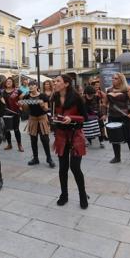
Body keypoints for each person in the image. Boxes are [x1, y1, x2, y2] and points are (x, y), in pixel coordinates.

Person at [50, 75, 89, 209]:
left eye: (58, 81)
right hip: (61, 135)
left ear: (66, 84)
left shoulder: (77, 97)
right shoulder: (54, 98)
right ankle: (64, 195)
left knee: (75, 167)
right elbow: (54, 114)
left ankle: (82, 195)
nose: (54, 83)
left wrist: (70, 118)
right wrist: (54, 118)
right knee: (62, 168)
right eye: (54, 81)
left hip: (75, 134)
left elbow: (85, 117)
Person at [102, 73, 130, 168]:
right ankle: (117, 157)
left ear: (121, 80)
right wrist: (104, 114)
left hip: (125, 117)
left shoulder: (127, 90)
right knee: (114, 138)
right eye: (112, 78)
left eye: (115, 78)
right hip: (112, 116)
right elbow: (104, 103)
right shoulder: (109, 90)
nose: (113, 80)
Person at [21, 81, 55, 168]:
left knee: (45, 139)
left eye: (33, 85)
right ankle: (35, 158)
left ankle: (49, 158)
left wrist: (42, 105)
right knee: (33, 139)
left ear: (37, 86)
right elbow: (25, 109)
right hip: (32, 119)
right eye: (29, 85)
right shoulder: (27, 96)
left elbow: (46, 109)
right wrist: (22, 105)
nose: (31, 87)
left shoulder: (42, 96)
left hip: (42, 118)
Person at [1, 77, 24, 152]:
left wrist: (21, 104)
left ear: (13, 83)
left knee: (16, 129)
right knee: (7, 130)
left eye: (10, 81)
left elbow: (23, 97)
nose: (8, 82)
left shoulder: (17, 91)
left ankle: (19, 145)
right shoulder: (2, 92)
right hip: (6, 113)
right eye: (7, 81)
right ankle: (9, 144)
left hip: (15, 112)